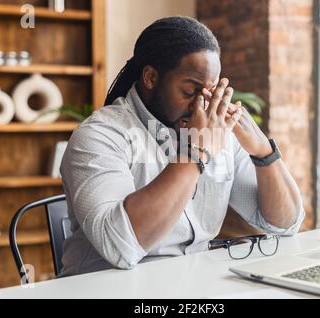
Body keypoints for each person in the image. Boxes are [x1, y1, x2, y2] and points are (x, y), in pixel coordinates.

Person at [59, 16, 305, 276]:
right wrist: (195, 153)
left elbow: (284, 223)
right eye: (190, 92)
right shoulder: (99, 136)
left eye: (209, 94)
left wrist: (263, 152)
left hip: (189, 285)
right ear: (151, 78)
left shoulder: (217, 134)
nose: (201, 106)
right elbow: (121, 246)